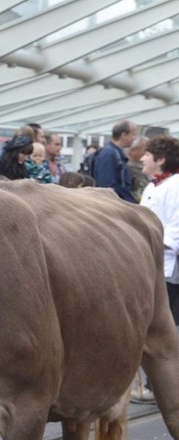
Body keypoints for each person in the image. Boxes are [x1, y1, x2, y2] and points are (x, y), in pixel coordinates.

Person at [132, 134, 179, 404]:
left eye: (148, 154)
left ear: (160, 159)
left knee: (164, 329)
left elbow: (174, 230)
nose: (142, 158)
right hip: (152, 265)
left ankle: (162, 387)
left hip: (167, 269)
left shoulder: (175, 186)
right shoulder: (154, 186)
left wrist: (149, 246)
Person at [92, 120, 139, 203]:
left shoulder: (116, 153)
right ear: (124, 135)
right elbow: (105, 187)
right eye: (133, 134)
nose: (134, 138)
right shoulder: (109, 154)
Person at [128, 136, 149, 203]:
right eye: (146, 150)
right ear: (133, 151)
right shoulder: (130, 169)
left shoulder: (141, 167)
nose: (148, 153)